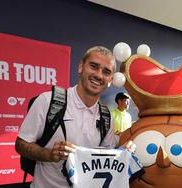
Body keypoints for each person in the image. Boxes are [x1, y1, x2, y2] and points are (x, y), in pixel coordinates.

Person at [15, 46, 118, 188]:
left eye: (106, 72)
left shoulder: (107, 117)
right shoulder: (47, 101)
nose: (99, 75)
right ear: (81, 67)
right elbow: (21, 144)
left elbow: (106, 157)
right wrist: (49, 154)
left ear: (111, 79)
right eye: (94, 66)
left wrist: (125, 150)